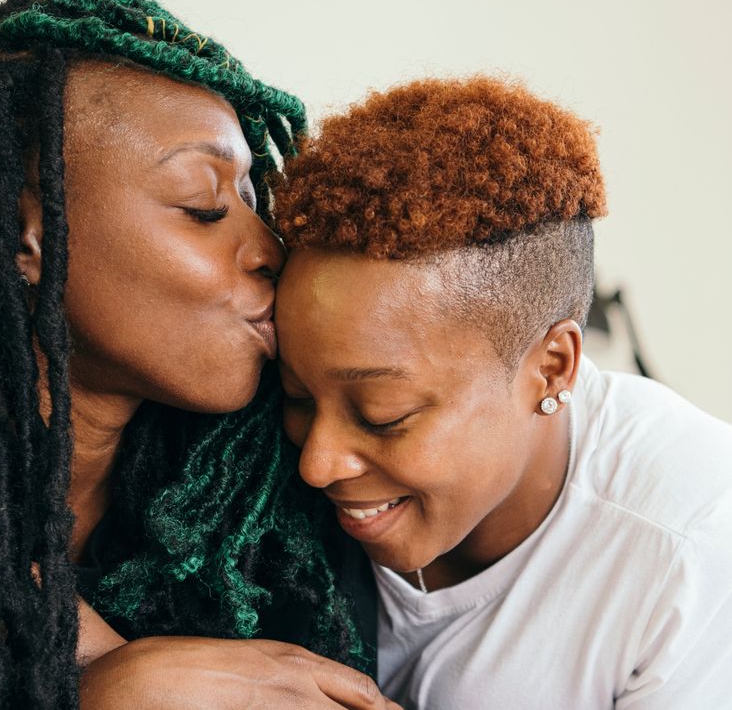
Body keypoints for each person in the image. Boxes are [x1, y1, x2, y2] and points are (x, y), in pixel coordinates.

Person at [0, 0, 388, 710]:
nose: (269, 248)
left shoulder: (263, 457)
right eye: (205, 208)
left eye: (252, 199)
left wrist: (109, 678)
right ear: (14, 231)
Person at [271, 75, 732, 708]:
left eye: (383, 415)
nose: (317, 464)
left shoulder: (692, 542)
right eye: (297, 396)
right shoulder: (239, 473)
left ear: (552, 369)